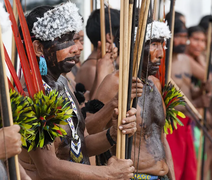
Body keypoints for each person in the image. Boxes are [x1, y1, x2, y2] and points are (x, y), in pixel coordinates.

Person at [19, 3, 137, 180]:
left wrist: (112, 133)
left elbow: (81, 144)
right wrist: (109, 173)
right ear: (38, 48)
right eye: (64, 41)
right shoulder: (31, 95)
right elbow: (49, 168)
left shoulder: (63, 83)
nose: (77, 48)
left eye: (74, 39)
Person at [91, 19, 175, 179]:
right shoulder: (115, 82)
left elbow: (161, 138)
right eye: (154, 45)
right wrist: (114, 103)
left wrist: (172, 176)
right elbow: (89, 129)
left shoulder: (155, 84)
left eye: (161, 45)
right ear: (135, 46)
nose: (161, 53)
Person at [75, 7, 119, 99]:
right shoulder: (92, 69)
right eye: (122, 34)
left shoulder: (97, 65)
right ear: (110, 37)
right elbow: (96, 106)